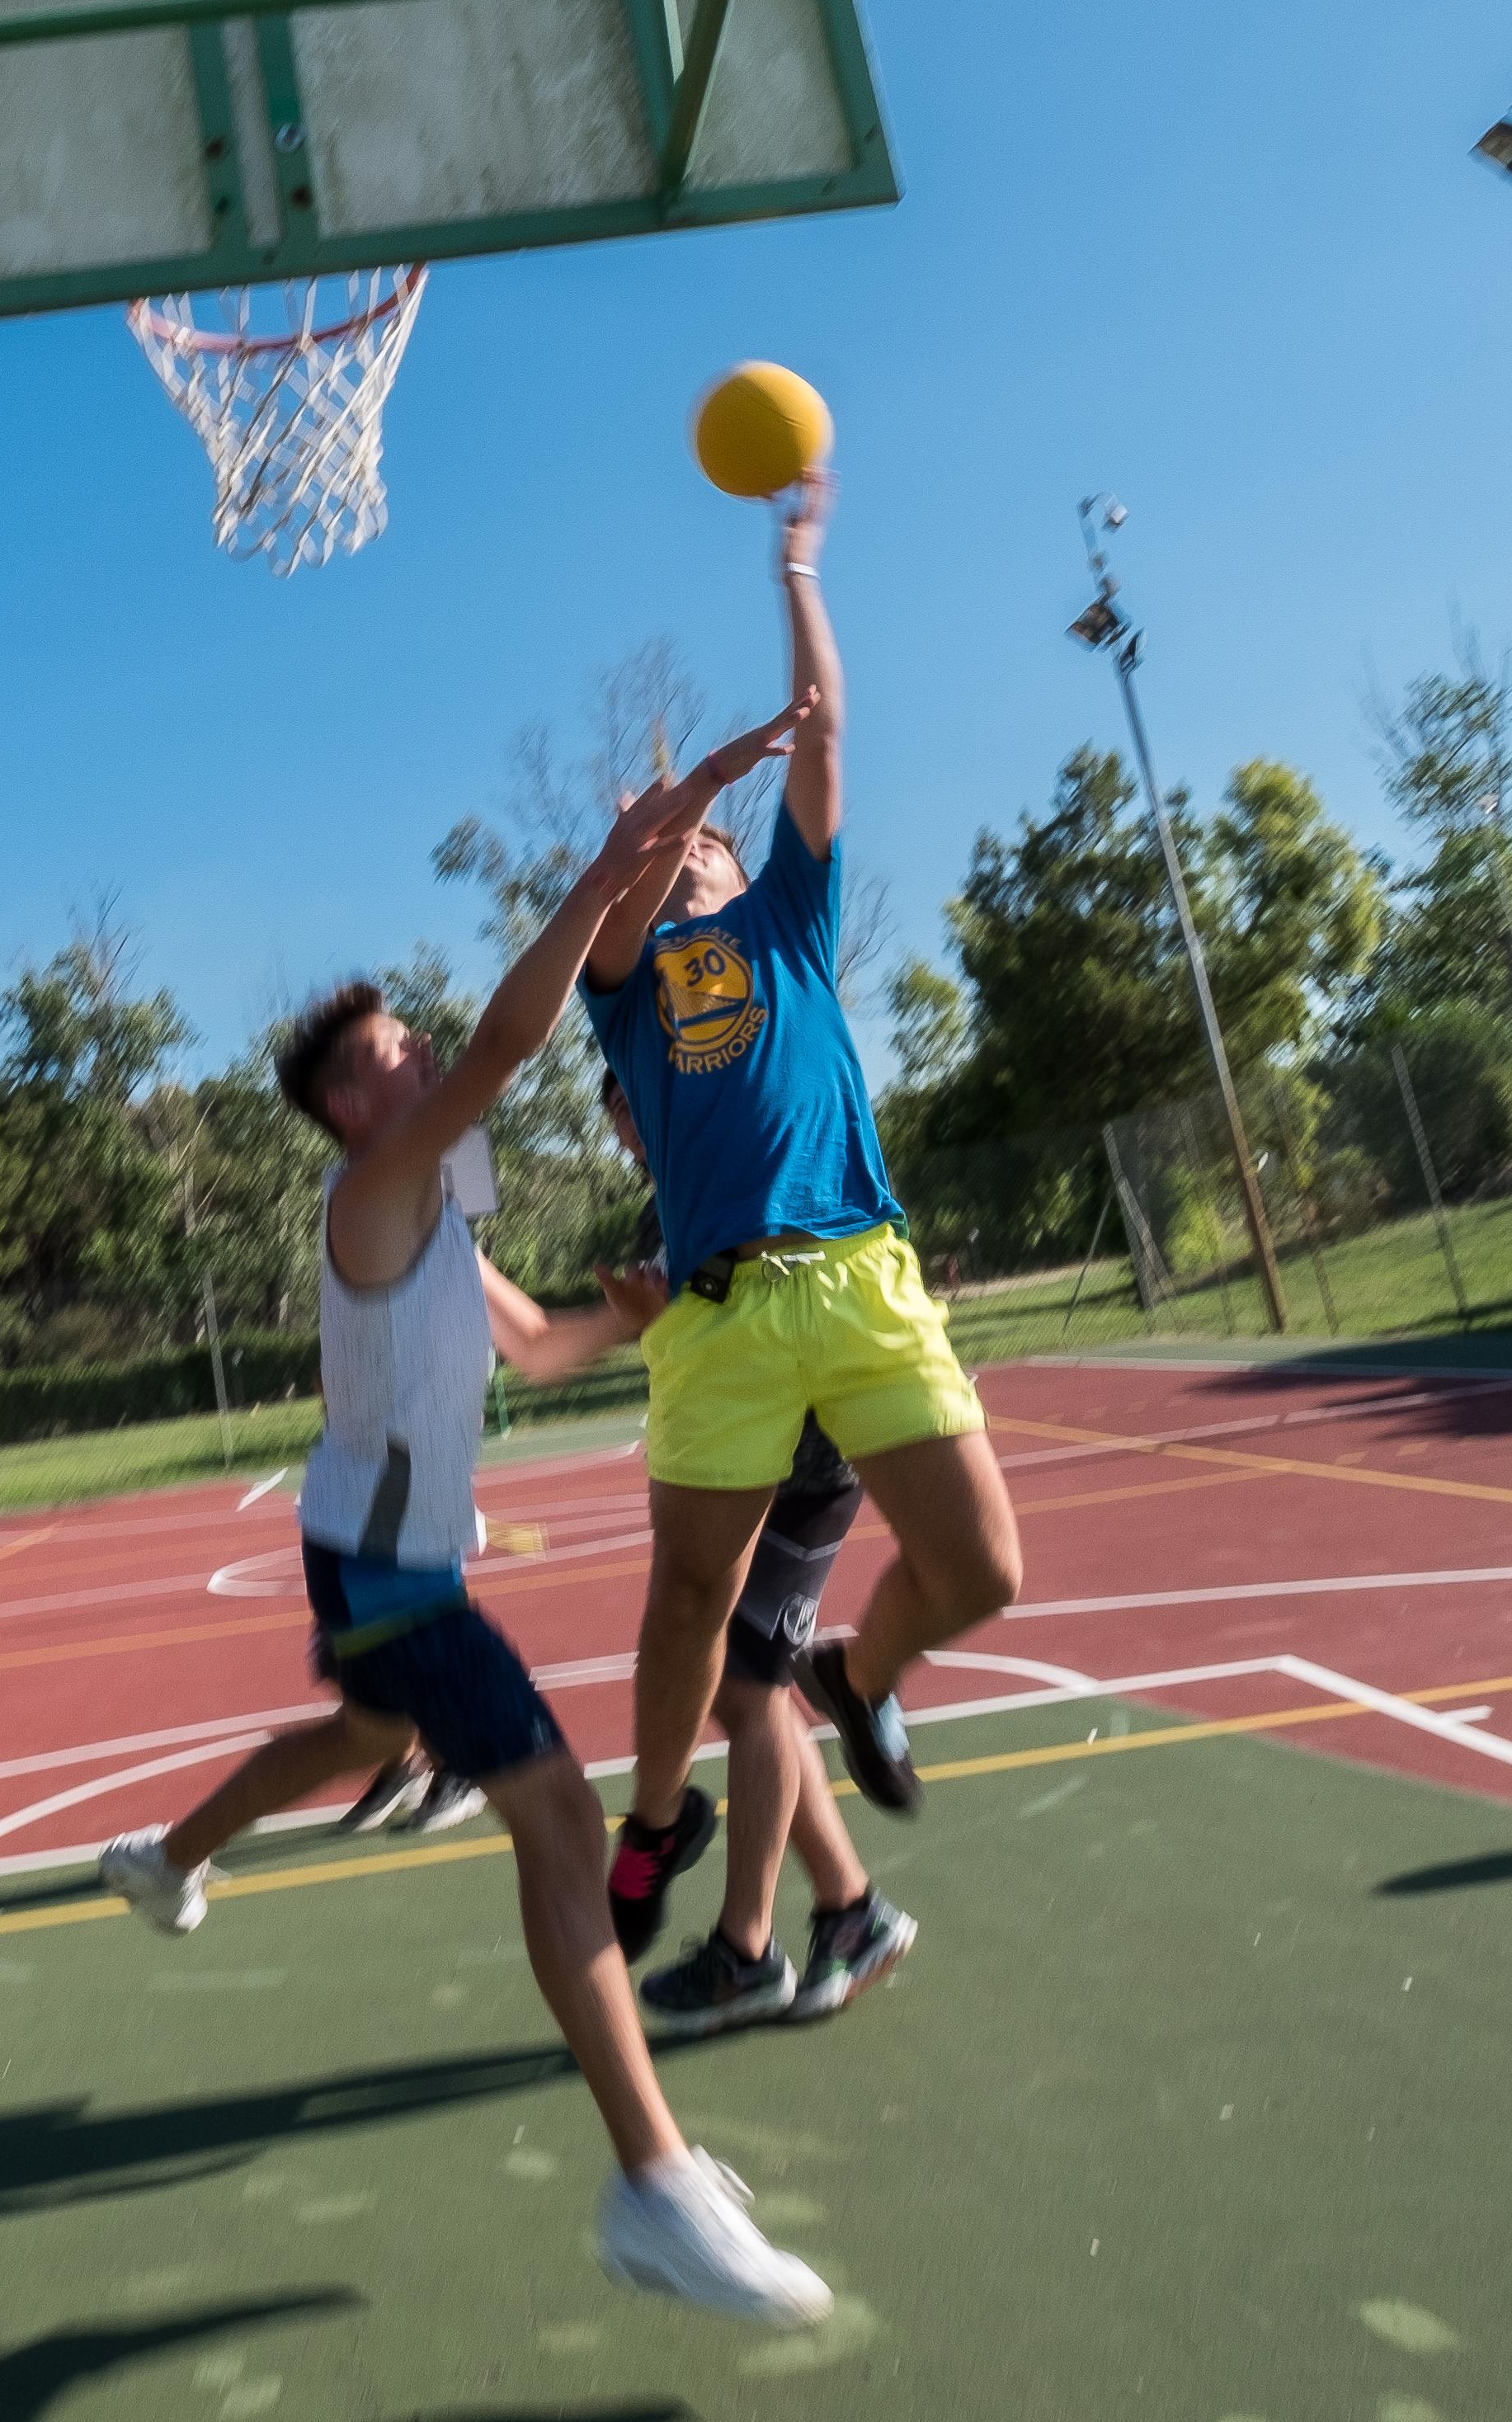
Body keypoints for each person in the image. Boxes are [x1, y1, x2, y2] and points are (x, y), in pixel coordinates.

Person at [92, 709, 831, 2327]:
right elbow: (509, 1045)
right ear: (350, 1112)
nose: (421, 1054)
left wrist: (622, 1317)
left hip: (376, 1557)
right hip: (389, 1565)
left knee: (359, 1742)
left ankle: (163, 1856)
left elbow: (542, 1341)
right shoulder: (370, 1191)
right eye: (387, 1058)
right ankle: (652, 2183)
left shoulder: (434, 1218)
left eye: (410, 1039)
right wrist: (621, 858)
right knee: (565, 1824)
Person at [582, 463, 1024, 1965]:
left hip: (853, 1273)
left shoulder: (788, 918)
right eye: (660, 847)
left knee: (982, 1572)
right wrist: (669, 812)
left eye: (702, 840)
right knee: (688, 1603)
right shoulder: (624, 986)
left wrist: (799, 574)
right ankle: (654, 1826)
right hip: (722, 1317)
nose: (684, 851)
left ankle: (864, 1676)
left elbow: (827, 738)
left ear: (737, 858)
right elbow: (616, 903)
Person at [584, 1073, 915, 2038]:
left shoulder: (742, 1173)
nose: (634, 1129)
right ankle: (849, 1912)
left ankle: (750, 1948)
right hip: (754, 1471)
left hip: (808, 1467)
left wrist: (671, 1311)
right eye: (621, 1116)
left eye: (639, 1104)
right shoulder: (670, 1201)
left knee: (745, 1689)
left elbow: (769, 1313)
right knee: (744, 1686)